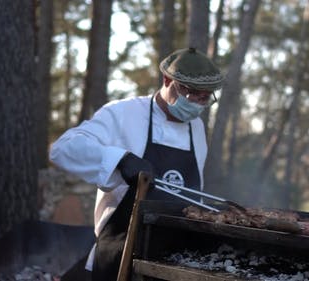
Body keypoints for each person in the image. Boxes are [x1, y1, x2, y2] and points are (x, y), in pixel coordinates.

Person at [49, 47, 224, 281]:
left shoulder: (197, 128)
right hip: (120, 254)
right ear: (167, 80)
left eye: (206, 97)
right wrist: (119, 158)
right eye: (193, 95)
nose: (199, 105)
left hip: (174, 262)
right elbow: (62, 149)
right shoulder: (123, 113)